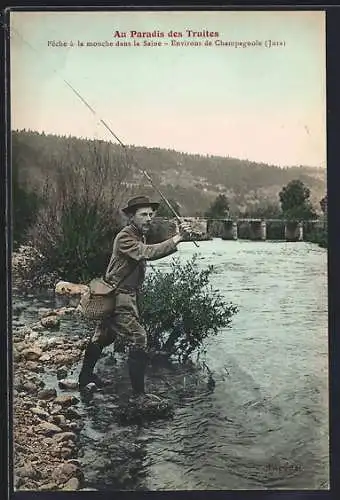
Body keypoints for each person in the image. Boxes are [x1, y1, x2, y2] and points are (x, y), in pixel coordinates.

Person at [78, 195, 192, 402]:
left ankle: (85, 378)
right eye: (143, 214)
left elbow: (146, 251)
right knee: (139, 338)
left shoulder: (139, 234)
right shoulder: (126, 237)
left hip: (118, 294)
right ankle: (139, 395)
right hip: (118, 296)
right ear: (131, 216)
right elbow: (147, 253)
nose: (149, 218)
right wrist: (177, 238)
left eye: (151, 214)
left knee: (104, 337)